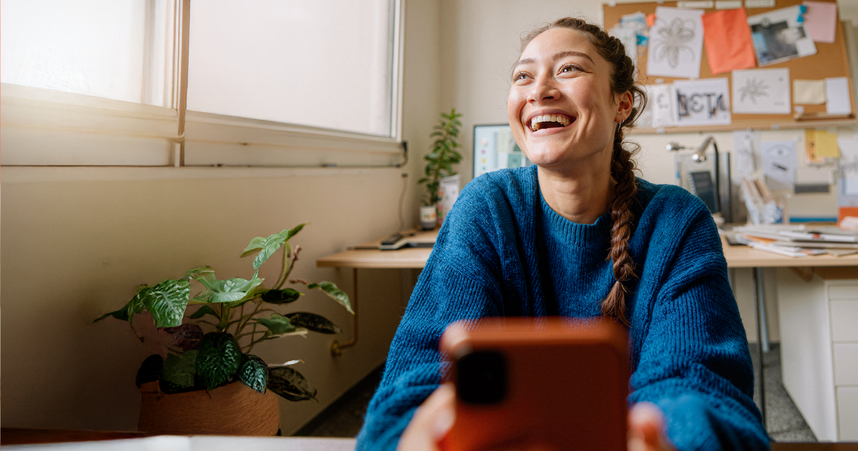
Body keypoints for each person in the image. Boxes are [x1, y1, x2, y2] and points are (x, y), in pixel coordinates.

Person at [356, 17, 769, 451]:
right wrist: (424, 432)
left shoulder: (678, 220)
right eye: (523, 76)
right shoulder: (485, 208)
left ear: (622, 104)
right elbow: (412, 389)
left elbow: (704, 390)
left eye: (569, 69)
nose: (539, 90)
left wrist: (663, 438)